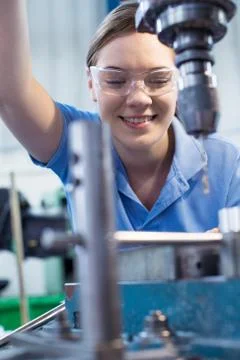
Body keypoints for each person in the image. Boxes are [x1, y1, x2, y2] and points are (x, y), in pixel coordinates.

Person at [0, 1, 239, 233]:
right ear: (92, 83)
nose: (139, 99)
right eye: (115, 80)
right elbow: (11, 94)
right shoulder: (78, 145)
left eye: (158, 80)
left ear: (179, 82)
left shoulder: (226, 164)